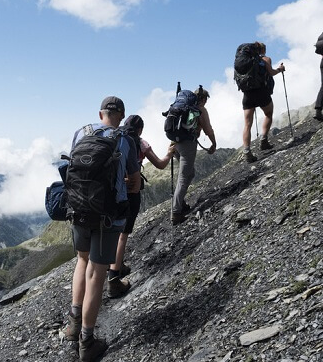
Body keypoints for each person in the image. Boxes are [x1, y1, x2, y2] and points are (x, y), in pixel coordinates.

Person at [63, 96, 141, 361]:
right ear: (121, 115)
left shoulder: (80, 133)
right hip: (108, 215)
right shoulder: (126, 140)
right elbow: (135, 183)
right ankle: (87, 341)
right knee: (97, 272)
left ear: (100, 114)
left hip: (77, 210)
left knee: (81, 261)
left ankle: (73, 325)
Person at [107, 114, 175, 297]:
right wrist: (169, 154)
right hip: (131, 193)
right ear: (140, 130)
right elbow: (160, 165)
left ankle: (114, 263)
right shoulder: (141, 143)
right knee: (123, 234)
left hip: (111, 193)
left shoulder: (114, 139)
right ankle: (114, 277)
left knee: (112, 230)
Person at [171, 86, 217, 225]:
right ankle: (176, 212)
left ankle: (180, 202)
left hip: (175, 143)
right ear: (202, 98)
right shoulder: (200, 109)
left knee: (189, 174)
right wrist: (214, 143)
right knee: (184, 177)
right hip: (187, 145)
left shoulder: (180, 106)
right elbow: (208, 128)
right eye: (205, 100)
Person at [240, 42, 285, 163]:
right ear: (262, 50)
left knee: (247, 124)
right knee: (268, 114)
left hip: (247, 94)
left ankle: (247, 152)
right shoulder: (266, 59)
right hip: (261, 92)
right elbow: (271, 73)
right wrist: (280, 69)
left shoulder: (246, 61)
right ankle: (263, 140)